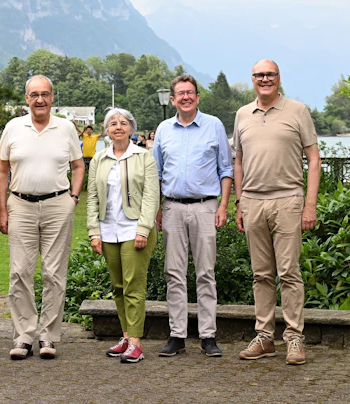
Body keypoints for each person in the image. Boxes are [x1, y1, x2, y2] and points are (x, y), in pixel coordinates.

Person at [234, 59, 320, 366]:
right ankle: (265, 337)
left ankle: (294, 338)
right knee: (261, 274)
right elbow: (239, 161)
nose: (264, 79)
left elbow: (313, 159)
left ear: (279, 78)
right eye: (259, 75)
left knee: (289, 273)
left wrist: (309, 205)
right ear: (252, 79)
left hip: (288, 200)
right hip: (253, 202)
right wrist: (239, 202)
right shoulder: (243, 114)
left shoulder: (297, 111)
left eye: (270, 74)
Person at [0, 75, 84, 360]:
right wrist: (2, 208)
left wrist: (73, 198)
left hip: (58, 205)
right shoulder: (13, 128)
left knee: (53, 273)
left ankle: (48, 336)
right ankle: (23, 336)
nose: (40, 100)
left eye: (45, 94)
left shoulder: (66, 128)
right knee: (20, 272)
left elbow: (79, 165)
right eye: (34, 94)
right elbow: (1, 170)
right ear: (26, 99)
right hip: (20, 205)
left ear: (52, 97)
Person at [152, 75, 233, 358]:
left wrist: (223, 206)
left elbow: (226, 169)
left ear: (197, 97)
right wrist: (157, 208)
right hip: (172, 207)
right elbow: (156, 174)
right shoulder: (164, 130)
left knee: (205, 272)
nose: (185, 97)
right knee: (173, 273)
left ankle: (208, 336)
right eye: (180, 93)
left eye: (190, 93)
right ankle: (177, 335)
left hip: (205, 207)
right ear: (173, 99)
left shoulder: (214, 126)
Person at [87, 108, 160, 364]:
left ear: (131, 127)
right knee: (118, 287)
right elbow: (92, 197)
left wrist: (144, 229)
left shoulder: (144, 157)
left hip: (134, 230)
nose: (118, 126)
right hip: (108, 230)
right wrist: (93, 232)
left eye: (123, 123)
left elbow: (152, 197)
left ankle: (137, 343)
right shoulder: (99, 159)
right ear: (106, 130)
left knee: (133, 286)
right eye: (112, 123)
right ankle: (126, 337)